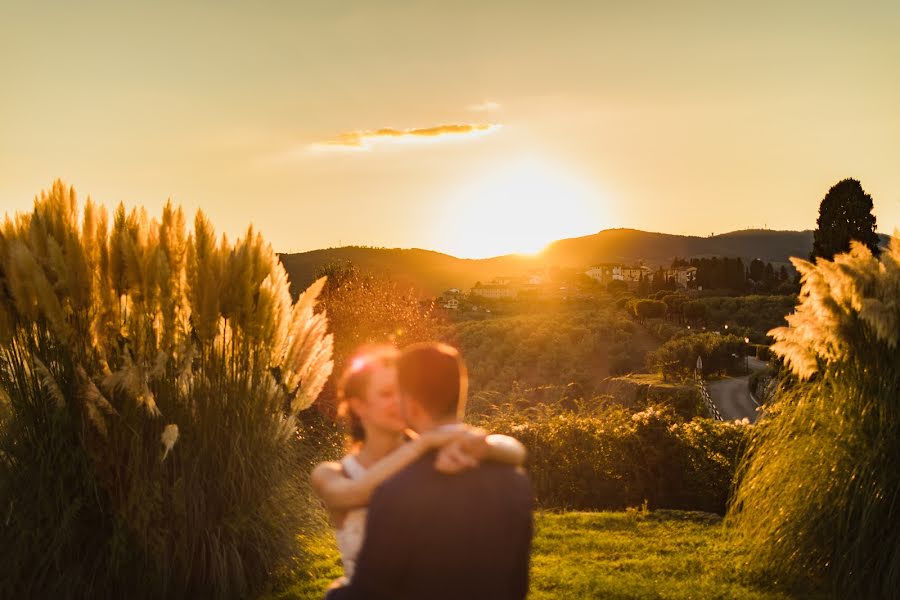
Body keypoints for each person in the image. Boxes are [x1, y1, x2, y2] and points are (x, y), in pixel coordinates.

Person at [326, 342, 533, 600]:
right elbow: (516, 587)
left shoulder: (394, 492)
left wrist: (334, 594)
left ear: (410, 406)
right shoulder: (516, 482)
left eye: (397, 393)